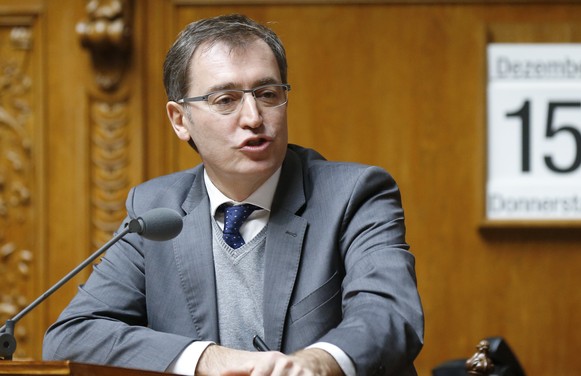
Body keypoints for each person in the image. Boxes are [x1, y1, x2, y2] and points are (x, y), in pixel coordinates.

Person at [43, 14, 424, 376]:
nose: (254, 117)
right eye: (225, 100)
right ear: (180, 120)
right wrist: (205, 358)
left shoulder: (353, 195)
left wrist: (320, 361)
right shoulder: (155, 210)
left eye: (267, 93)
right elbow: (72, 336)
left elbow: (389, 314)